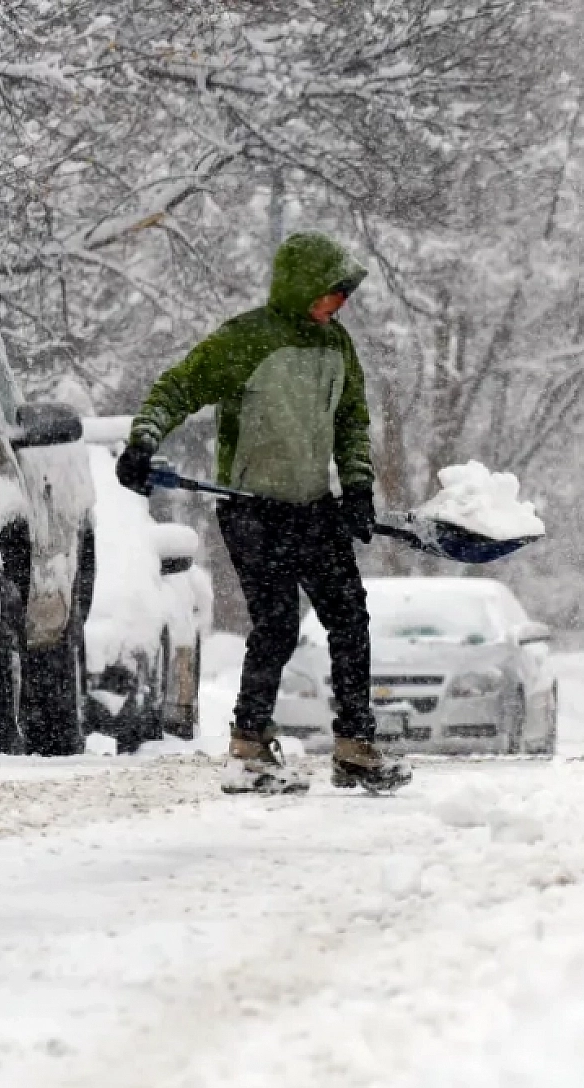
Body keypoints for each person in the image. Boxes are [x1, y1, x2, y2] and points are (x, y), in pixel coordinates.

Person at [114, 231, 411, 796]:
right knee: (275, 625)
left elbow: (351, 421)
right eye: (331, 293)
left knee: (350, 619)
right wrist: (143, 440)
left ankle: (354, 746)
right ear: (303, 287)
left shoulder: (337, 346)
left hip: (314, 508)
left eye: (343, 296)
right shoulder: (246, 339)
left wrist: (357, 489)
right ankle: (249, 749)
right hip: (253, 510)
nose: (338, 304)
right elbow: (178, 387)